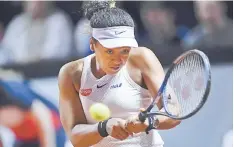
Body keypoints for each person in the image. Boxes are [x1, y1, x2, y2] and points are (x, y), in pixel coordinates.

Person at [58, 1, 181, 147]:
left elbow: (173, 111)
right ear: (92, 44)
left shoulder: (143, 58)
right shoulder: (71, 73)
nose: (118, 60)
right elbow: (75, 138)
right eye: (110, 51)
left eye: (125, 50)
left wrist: (150, 122)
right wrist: (105, 127)